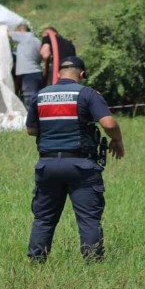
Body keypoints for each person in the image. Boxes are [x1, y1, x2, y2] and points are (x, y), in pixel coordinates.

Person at [25, 56, 124, 262]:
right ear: (82, 74)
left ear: (59, 73)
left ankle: (36, 263)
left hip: (48, 165)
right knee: (88, 219)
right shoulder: (87, 94)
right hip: (81, 165)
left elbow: (31, 130)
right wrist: (117, 141)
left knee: (43, 218)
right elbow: (109, 123)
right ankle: (93, 263)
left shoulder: (40, 96)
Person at [8, 22, 43, 107]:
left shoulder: (23, 36)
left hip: (28, 72)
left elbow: (6, 33)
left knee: (29, 96)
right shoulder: (37, 41)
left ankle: (31, 117)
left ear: (20, 30)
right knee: (38, 96)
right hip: (37, 71)